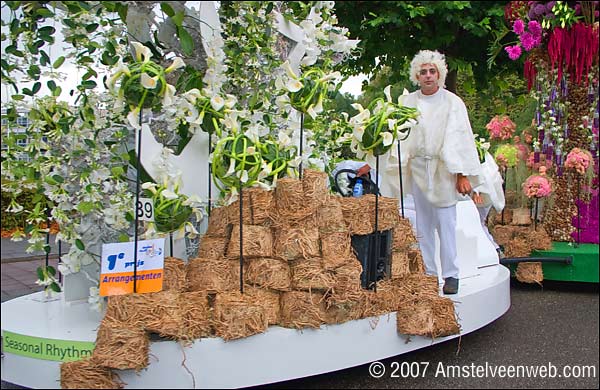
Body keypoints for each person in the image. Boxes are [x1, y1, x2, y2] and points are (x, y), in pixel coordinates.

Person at [381, 50, 482, 294]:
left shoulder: (452, 103)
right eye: (423, 72)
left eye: (432, 71)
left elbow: (460, 139)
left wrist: (461, 174)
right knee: (423, 224)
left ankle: (451, 275)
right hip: (417, 168)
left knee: (446, 223)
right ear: (417, 75)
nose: (428, 76)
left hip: (443, 170)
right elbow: (399, 135)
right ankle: (429, 273)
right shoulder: (407, 103)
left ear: (440, 74)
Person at [471, 151, 506, 259]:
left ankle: (493, 248)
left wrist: (477, 192)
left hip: (483, 198)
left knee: (478, 223)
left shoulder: (483, 166)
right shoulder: (488, 164)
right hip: (486, 197)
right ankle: (493, 249)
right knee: (479, 223)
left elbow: (480, 178)